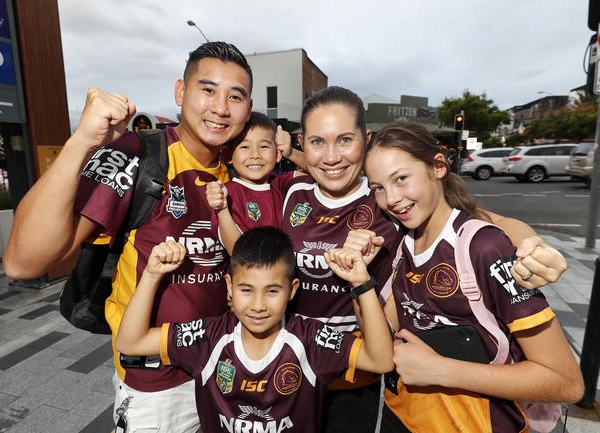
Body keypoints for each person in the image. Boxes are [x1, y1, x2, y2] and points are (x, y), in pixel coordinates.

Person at [275, 86, 569, 433]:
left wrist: (530, 246)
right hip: (301, 368)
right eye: (317, 142)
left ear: (365, 140)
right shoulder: (292, 191)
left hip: (362, 379)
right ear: (302, 143)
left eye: (344, 140)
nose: (332, 157)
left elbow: (486, 223)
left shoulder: (385, 199)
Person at [3, 42, 253, 432]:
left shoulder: (242, 169)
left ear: (248, 108)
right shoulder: (137, 155)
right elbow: (24, 262)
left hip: (224, 371)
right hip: (156, 387)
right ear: (180, 92)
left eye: (235, 96)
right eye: (208, 90)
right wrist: (82, 144)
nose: (221, 107)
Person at [360, 122, 583, 433]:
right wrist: (358, 279)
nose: (392, 198)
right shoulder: (398, 240)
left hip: (479, 423)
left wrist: (440, 370)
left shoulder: (484, 247)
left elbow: (565, 382)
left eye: (401, 178)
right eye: (378, 188)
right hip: (404, 417)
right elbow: (389, 333)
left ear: (438, 167)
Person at [115, 227, 394, 433]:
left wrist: (361, 281)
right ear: (229, 287)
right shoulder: (210, 338)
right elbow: (131, 342)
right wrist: (152, 276)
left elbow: (380, 360)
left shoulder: (309, 340)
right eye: (246, 290)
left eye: (272, 291)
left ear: (292, 290)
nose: (258, 305)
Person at [206, 112, 296, 253]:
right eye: (245, 147)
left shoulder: (282, 184)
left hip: (283, 273)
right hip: (248, 274)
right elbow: (235, 250)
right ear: (228, 155)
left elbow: (319, 171)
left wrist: (291, 153)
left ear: (278, 154)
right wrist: (222, 210)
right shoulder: (226, 194)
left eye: (264, 147)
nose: (255, 155)